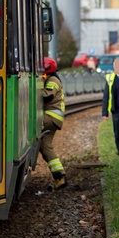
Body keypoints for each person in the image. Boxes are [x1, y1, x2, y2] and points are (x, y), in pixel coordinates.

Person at [41, 57, 67, 190]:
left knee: (30, 124)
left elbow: (48, 96)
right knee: (45, 147)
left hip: (51, 117)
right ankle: (60, 177)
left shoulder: (53, 80)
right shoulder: (50, 79)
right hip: (52, 117)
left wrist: (31, 93)